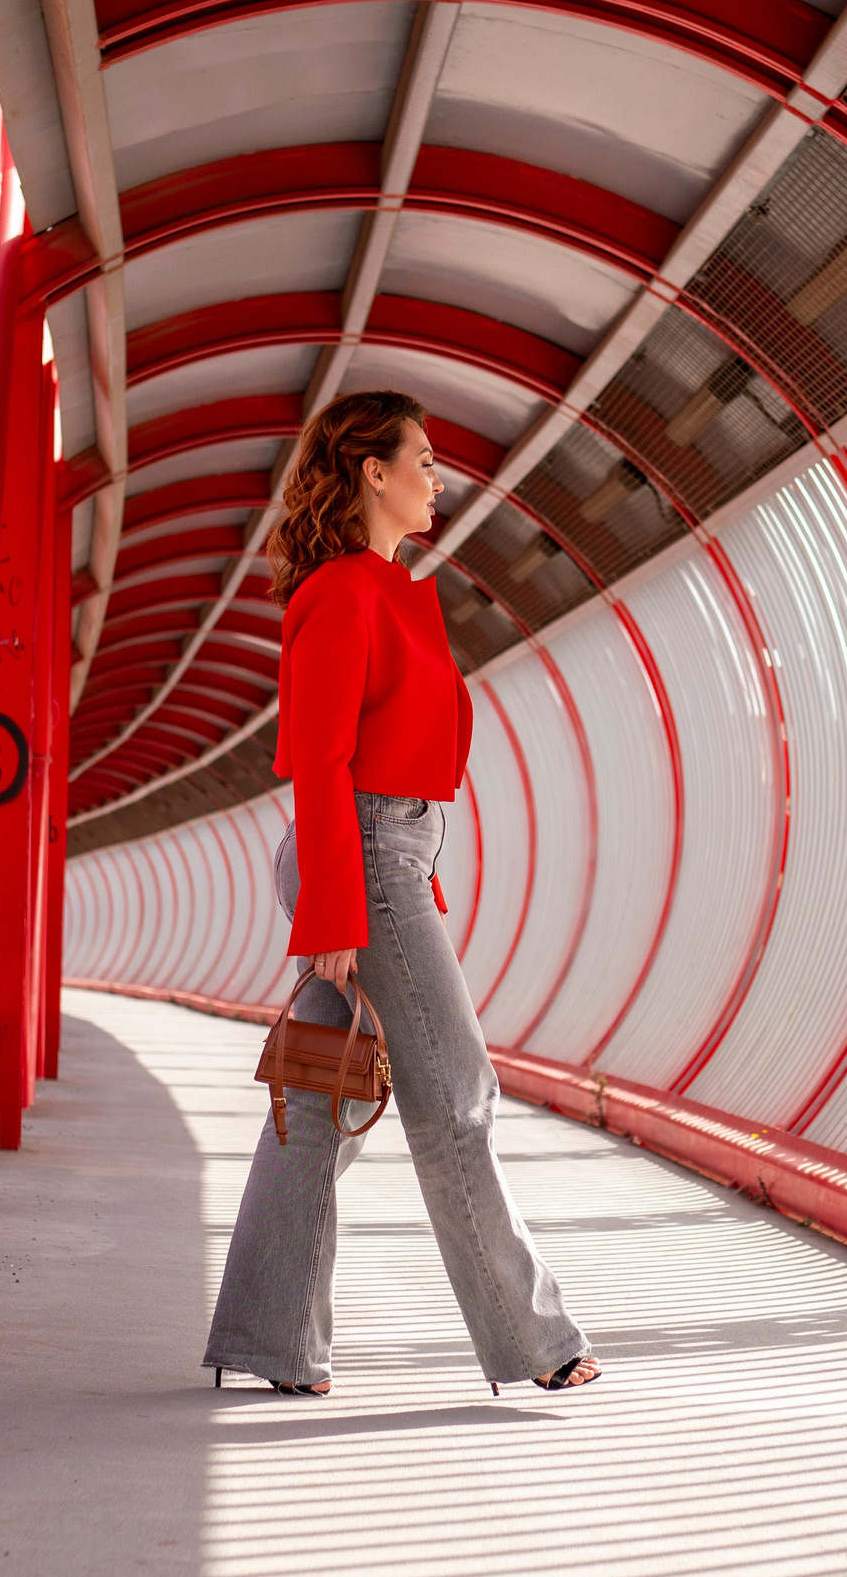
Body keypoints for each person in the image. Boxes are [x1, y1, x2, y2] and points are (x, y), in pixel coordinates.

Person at [201, 389, 599, 1398]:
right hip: (364, 858)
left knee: (318, 1098)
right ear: (371, 472)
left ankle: (270, 1340)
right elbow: (321, 760)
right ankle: (535, 1339)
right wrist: (341, 908)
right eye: (422, 459)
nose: (437, 477)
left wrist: (394, 877)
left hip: (383, 855)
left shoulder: (384, 589)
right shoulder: (343, 592)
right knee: (457, 1097)